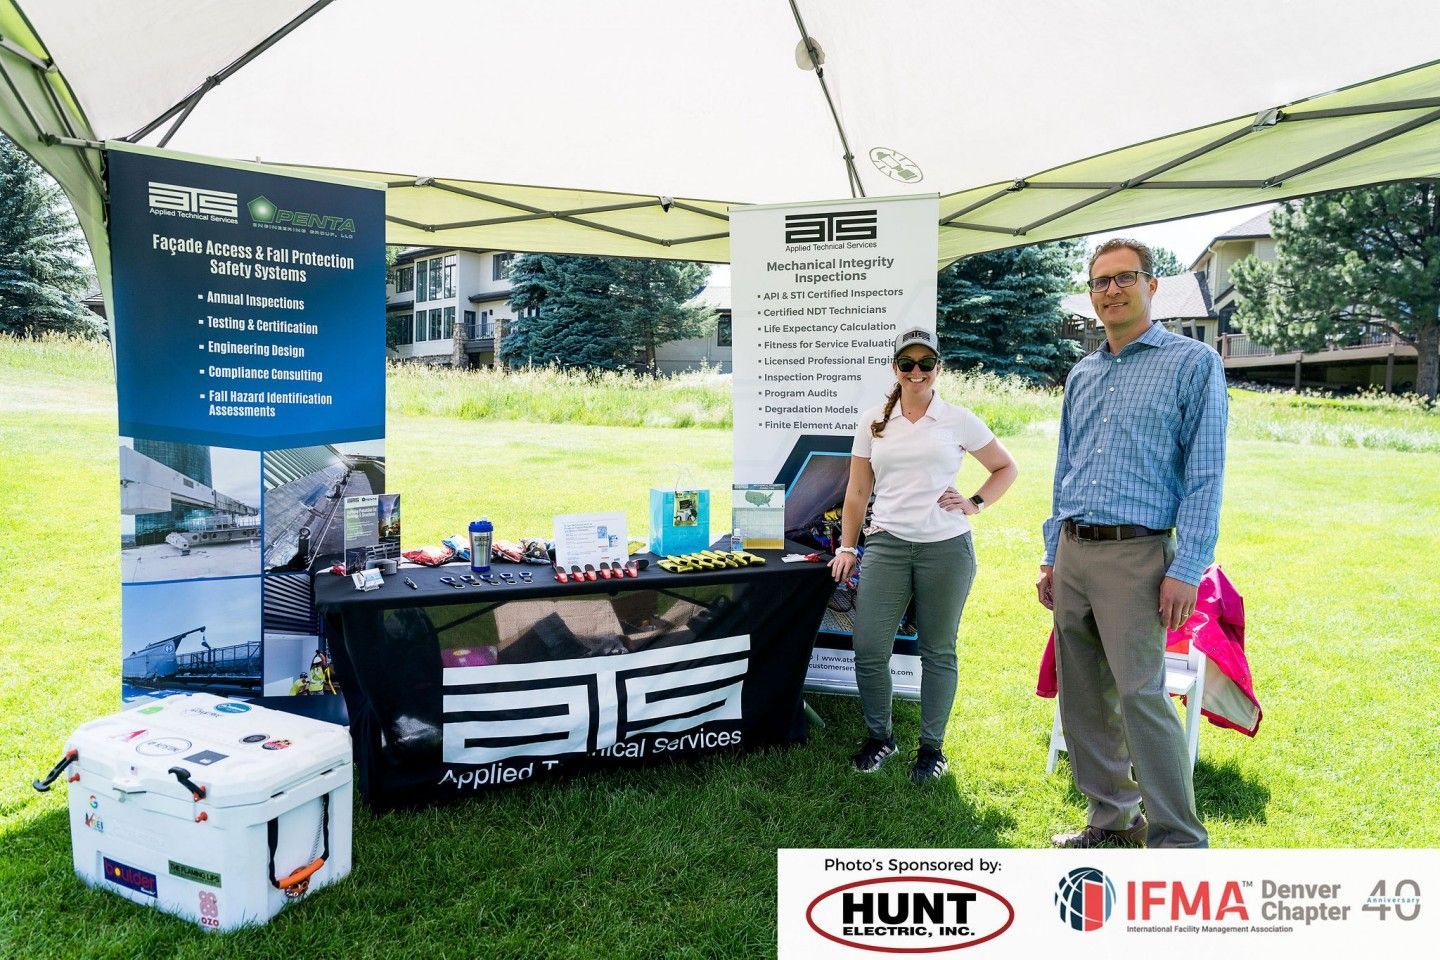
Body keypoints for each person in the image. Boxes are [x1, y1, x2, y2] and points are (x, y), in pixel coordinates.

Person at [1038, 238, 1227, 849]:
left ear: (1152, 285)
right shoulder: (1083, 373)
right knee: (1083, 695)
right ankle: (1112, 819)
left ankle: (1177, 839)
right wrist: (1050, 553)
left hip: (1138, 555)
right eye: (1099, 282)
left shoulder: (1191, 364)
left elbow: (1205, 473)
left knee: (1141, 695)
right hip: (1074, 550)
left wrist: (1189, 566)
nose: (1111, 291)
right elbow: (1065, 466)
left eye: (1124, 278)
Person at [830, 327, 1017, 784]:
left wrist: (974, 503)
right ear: (895, 368)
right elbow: (857, 490)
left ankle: (931, 748)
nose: (917, 372)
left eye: (926, 364)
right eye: (908, 364)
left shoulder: (957, 419)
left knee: (938, 650)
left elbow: (1005, 467)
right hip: (888, 545)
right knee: (869, 647)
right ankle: (880, 737)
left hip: (946, 550)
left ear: (938, 368)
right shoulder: (873, 420)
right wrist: (848, 546)